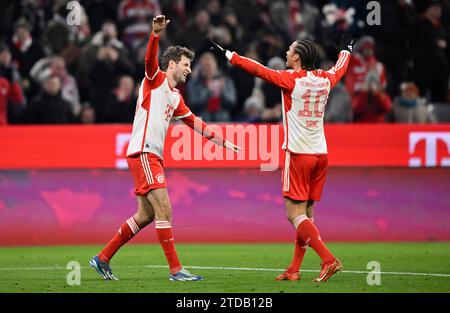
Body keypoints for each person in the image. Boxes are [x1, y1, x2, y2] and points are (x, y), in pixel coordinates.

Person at [90, 15, 241, 282]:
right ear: (171, 64)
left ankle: (102, 258)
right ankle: (176, 270)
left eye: (190, 65)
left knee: (146, 214)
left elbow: (193, 121)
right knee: (165, 209)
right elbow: (149, 61)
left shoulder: (174, 95)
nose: (189, 70)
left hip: (150, 155)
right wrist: (155, 34)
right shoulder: (155, 79)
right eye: (186, 64)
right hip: (144, 152)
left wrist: (221, 140)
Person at [209, 34, 354, 282]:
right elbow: (340, 68)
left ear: (296, 57)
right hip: (321, 155)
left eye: (289, 50)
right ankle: (294, 270)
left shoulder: (290, 80)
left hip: (298, 154)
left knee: (293, 214)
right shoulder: (325, 79)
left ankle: (328, 260)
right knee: (306, 216)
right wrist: (347, 50)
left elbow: (259, 70)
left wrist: (230, 56)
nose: (286, 53)